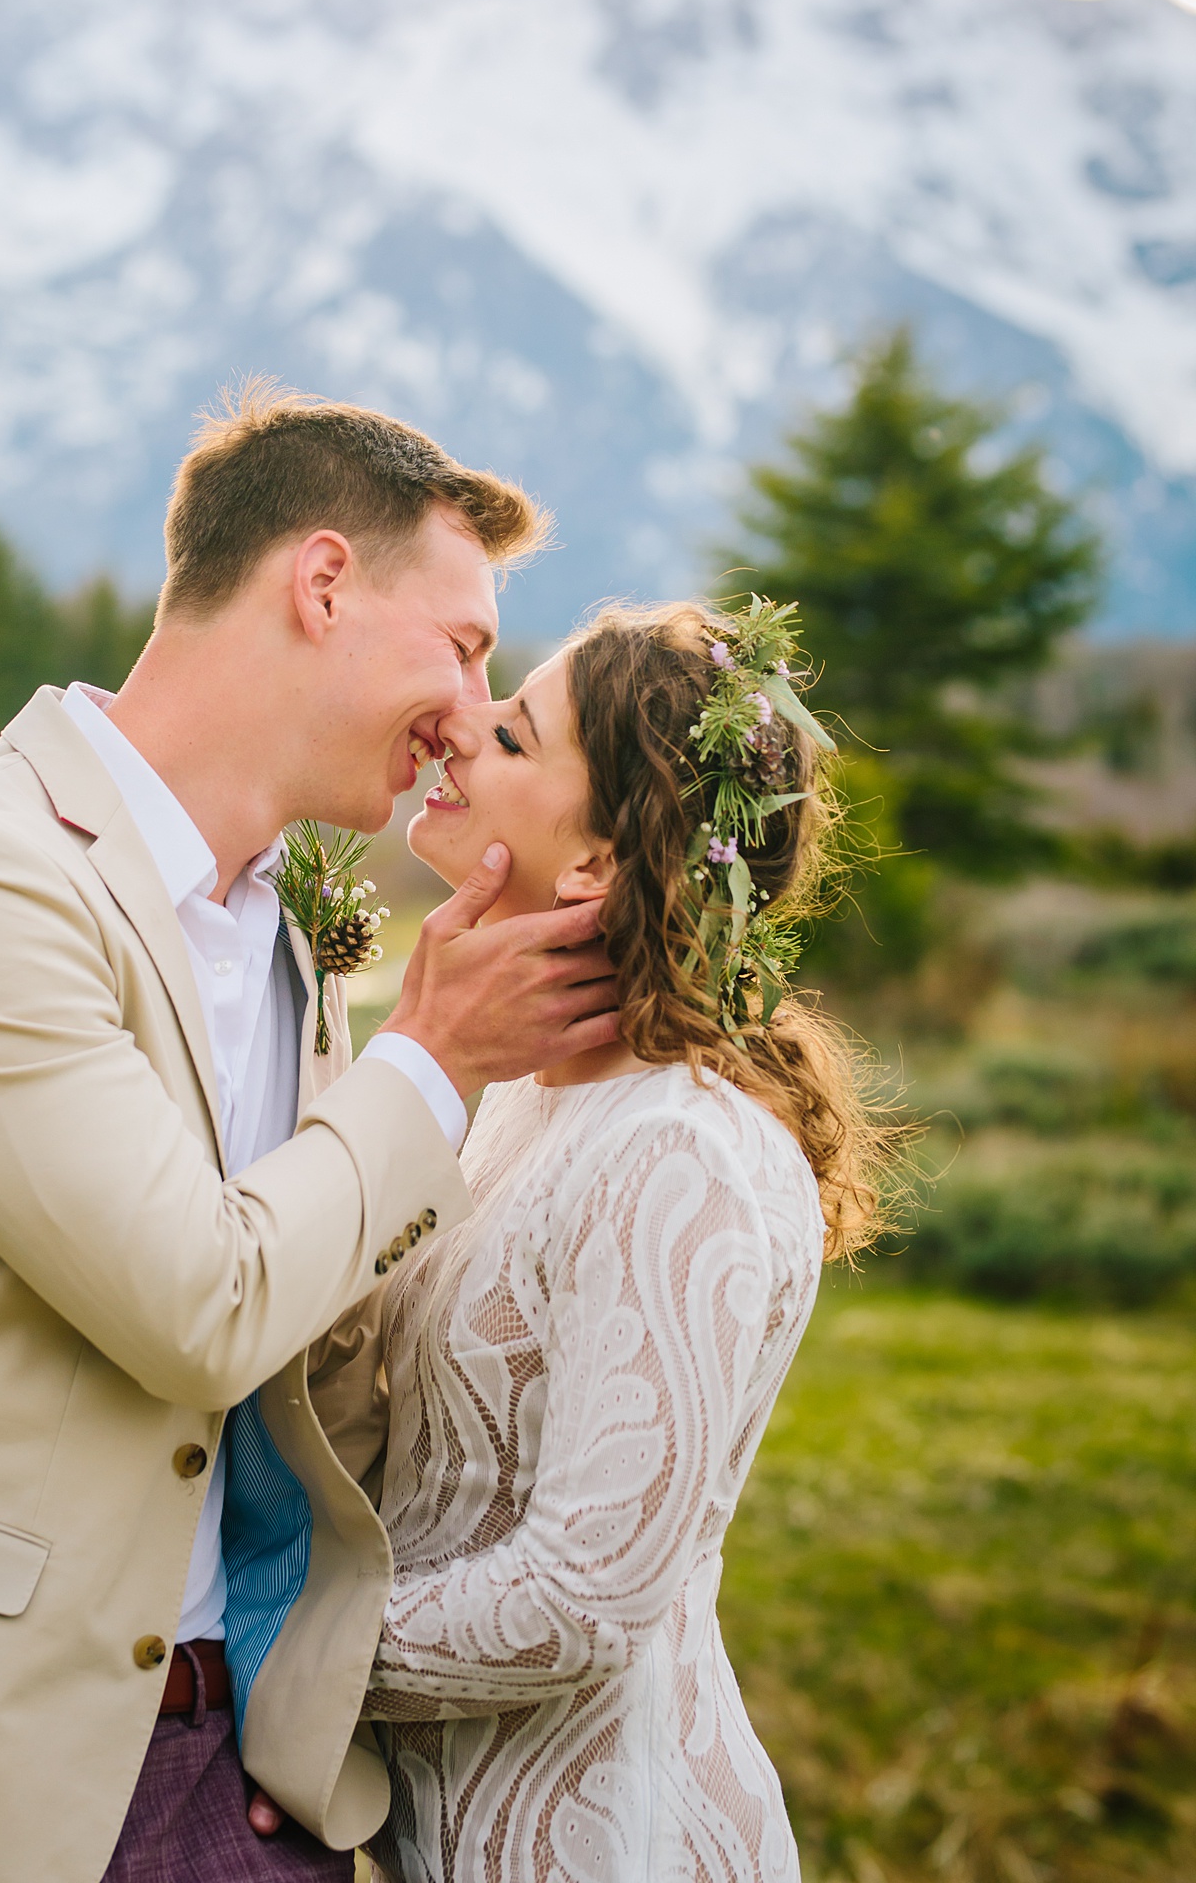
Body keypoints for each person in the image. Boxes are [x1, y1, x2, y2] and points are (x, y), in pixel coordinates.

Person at [0, 389, 621, 1883]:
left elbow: (302, 1372)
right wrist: (435, 1058)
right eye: (463, 648)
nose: (474, 715)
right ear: (322, 582)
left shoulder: (291, 944)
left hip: (217, 1781)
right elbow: (200, 1305)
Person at [361, 600, 898, 1883]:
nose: (458, 740)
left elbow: (585, 1595)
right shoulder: (530, 1095)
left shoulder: (683, 1153)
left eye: (511, 735)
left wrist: (258, 1654)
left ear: (597, 861)